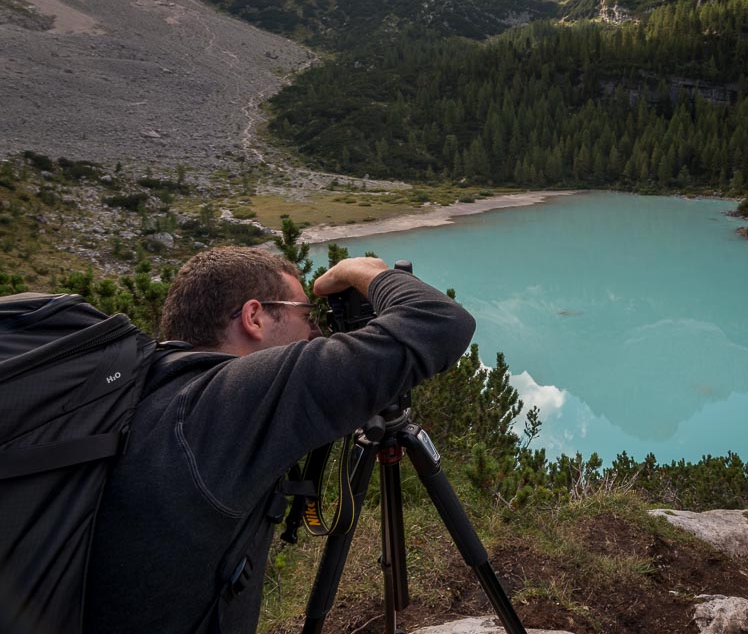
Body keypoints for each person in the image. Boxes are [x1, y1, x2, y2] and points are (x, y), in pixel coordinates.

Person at [83, 247, 476, 634]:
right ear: (254, 317)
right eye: (306, 315)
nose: (315, 332)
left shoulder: (154, 389)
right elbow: (439, 321)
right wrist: (365, 271)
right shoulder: (234, 399)